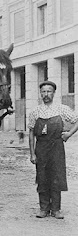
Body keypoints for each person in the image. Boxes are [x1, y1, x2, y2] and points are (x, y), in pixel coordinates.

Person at [28, 80, 78, 219]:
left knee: (56, 176)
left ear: (54, 93)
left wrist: (69, 134)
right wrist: (32, 153)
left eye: (49, 91)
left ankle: (56, 209)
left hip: (57, 146)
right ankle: (43, 208)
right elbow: (31, 133)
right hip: (41, 147)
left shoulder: (62, 109)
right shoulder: (35, 111)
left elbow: (76, 120)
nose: (46, 94)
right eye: (43, 91)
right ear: (40, 94)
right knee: (42, 176)